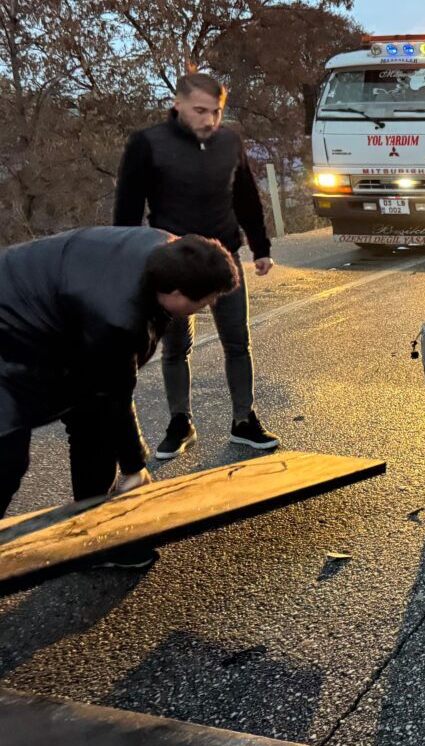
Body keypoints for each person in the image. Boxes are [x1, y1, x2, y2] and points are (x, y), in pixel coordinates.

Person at [0, 228, 240, 523]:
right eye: (207, 299)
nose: (210, 305)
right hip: (11, 323)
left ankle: (94, 526)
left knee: (93, 422)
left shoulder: (167, 252)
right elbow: (115, 393)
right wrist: (133, 467)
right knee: (7, 458)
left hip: (53, 320)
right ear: (176, 293)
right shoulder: (117, 317)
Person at [114, 72, 280, 458]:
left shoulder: (229, 142)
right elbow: (127, 208)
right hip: (173, 263)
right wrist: (124, 261)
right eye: (200, 111)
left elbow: (246, 197)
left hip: (224, 261)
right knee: (175, 347)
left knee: (237, 341)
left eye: (216, 112)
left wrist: (260, 247)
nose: (209, 120)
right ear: (178, 105)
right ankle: (180, 422)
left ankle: (244, 420)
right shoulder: (147, 143)